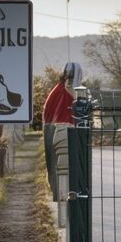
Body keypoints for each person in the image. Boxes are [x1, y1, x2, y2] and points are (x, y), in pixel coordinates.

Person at [43, 63, 82, 201]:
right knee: (64, 174)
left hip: (53, 128)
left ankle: (64, 208)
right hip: (62, 129)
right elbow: (78, 101)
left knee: (58, 173)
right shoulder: (67, 87)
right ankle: (65, 215)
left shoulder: (58, 89)